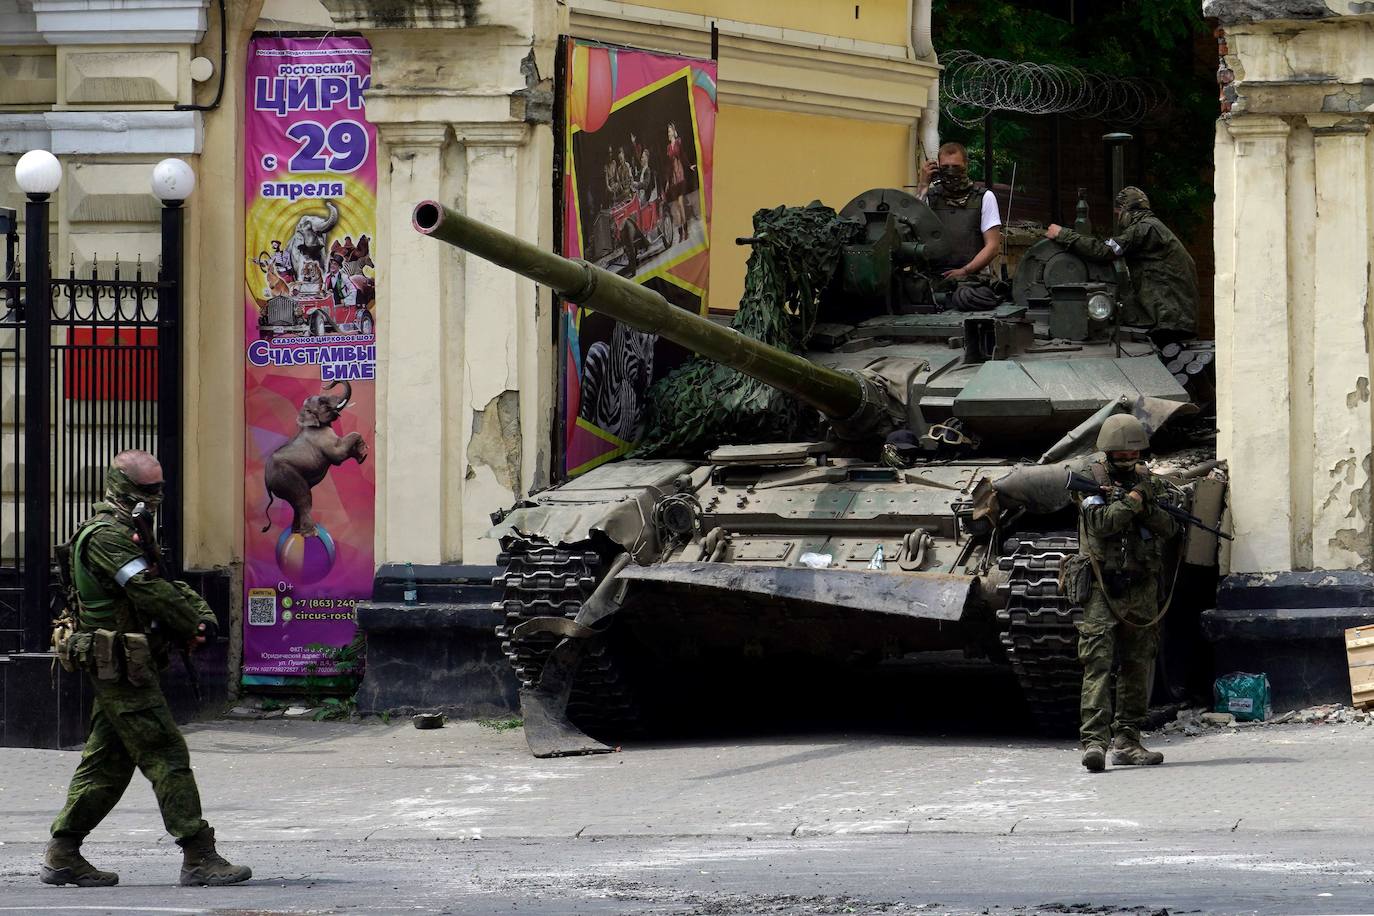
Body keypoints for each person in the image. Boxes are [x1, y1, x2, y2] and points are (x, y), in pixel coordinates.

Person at [42, 450, 251, 888]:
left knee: (107, 762)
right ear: (122, 487)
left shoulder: (132, 532)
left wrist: (197, 617)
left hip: (130, 664)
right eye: (146, 490)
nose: (155, 498)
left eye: (159, 489)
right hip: (120, 667)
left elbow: (164, 583)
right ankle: (198, 854)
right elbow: (146, 589)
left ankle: (63, 854)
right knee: (166, 752)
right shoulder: (106, 537)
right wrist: (191, 622)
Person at [1074, 415, 1178, 773]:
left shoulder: (1150, 483)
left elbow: (1170, 527)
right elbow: (1102, 523)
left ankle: (1128, 740)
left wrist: (1145, 503)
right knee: (1098, 663)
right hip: (1102, 586)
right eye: (1121, 455)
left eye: (1133, 455)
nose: (1128, 460)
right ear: (1108, 453)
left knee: (1137, 663)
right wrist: (1134, 500)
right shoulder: (1090, 481)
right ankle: (1094, 742)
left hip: (1142, 584)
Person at [1046, 186, 1198, 342]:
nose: (1118, 219)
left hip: (1168, 318)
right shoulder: (1153, 227)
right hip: (1174, 316)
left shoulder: (1144, 229)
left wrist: (1063, 234)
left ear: (1127, 210)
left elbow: (1105, 251)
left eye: (1118, 213)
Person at [916, 141, 1003, 311]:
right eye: (945, 167)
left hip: (973, 280)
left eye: (956, 166)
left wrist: (964, 271)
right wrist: (923, 185)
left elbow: (992, 246)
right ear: (938, 167)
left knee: (968, 299)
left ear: (966, 165)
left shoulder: (984, 197)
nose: (950, 171)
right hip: (934, 280)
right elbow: (913, 225)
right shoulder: (930, 197)